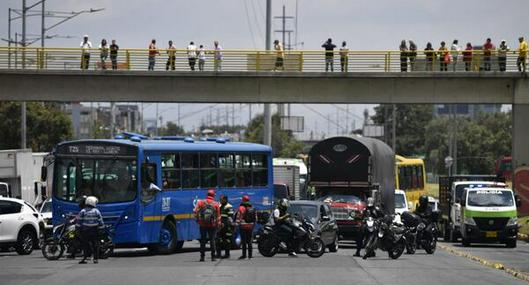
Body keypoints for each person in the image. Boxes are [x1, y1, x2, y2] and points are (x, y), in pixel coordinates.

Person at [194, 189, 221, 262]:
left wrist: (198, 220)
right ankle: (213, 257)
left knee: (203, 240)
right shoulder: (216, 204)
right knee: (212, 240)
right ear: (213, 196)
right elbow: (218, 216)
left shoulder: (201, 202)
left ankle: (202, 257)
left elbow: (195, 211)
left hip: (203, 224)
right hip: (212, 225)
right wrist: (218, 224)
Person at [76, 196, 103, 264]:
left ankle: (85, 258)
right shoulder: (96, 211)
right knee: (95, 244)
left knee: (85, 244)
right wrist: (102, 227)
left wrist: (78, 229)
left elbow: (79, 222)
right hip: (95, 230)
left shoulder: (83, 211)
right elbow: (100, 221)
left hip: (86, 230)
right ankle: (95, 259)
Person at [236, 195, 257, 259]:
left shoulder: (241, 208)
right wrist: (253, 225)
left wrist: (237, 223)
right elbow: (256, 218)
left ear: (243, 200)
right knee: (250, 241)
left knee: (244, 241)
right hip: (250, 226)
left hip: (243, 226)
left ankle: (244, 255)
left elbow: (238, 217)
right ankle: (250, 256)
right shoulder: (252, 207)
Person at [216, 195, 234, 259]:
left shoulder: (229, 207)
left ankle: (227, 254)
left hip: (227, 227)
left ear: (225, 200)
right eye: (220, 199)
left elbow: (230, 218)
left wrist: (229, 226)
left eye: (221, 199)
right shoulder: (220, 206)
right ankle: (218, 254)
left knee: (227, 241)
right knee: (218, 240)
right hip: (220, 226)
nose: (220, 200)